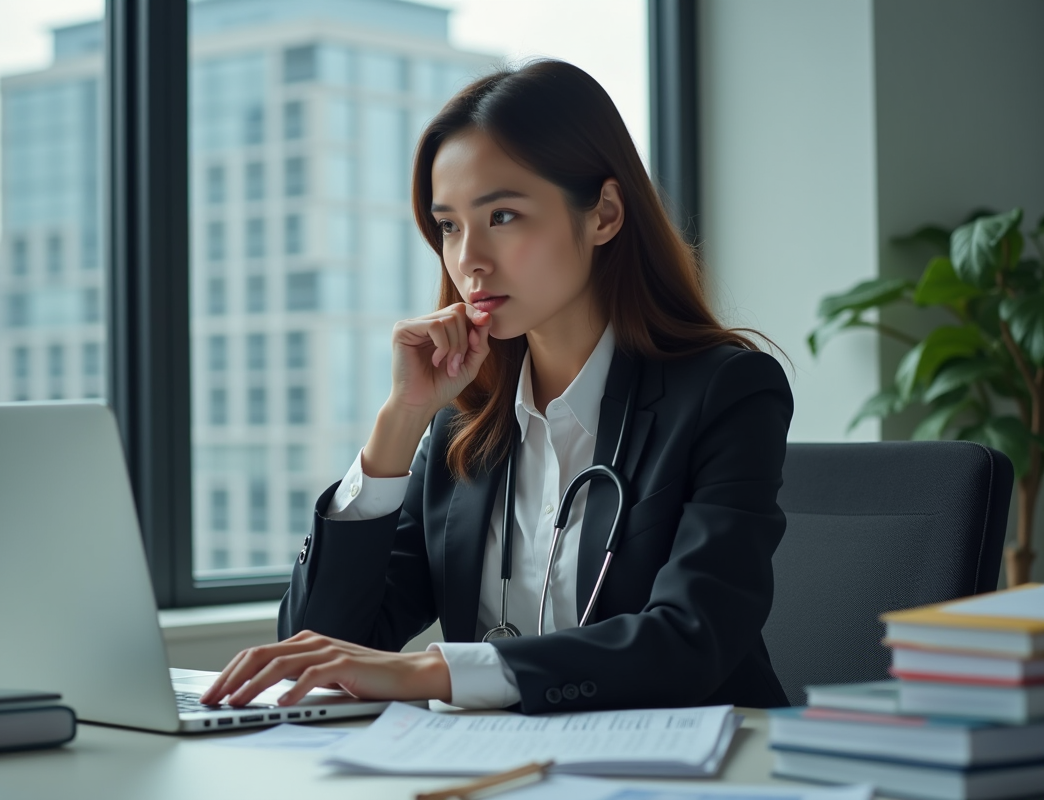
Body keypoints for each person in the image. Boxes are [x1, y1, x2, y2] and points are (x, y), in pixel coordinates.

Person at [201, 60, 793, 715]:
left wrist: (434, 672)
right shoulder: (463, 424)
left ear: (604, 214)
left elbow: (689, 641)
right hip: (506, 771)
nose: (469, 260)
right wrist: (399, 421)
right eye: (449, 225)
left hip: (697, 768)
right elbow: (322, 646)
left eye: (503, 216)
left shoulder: (725, 393)